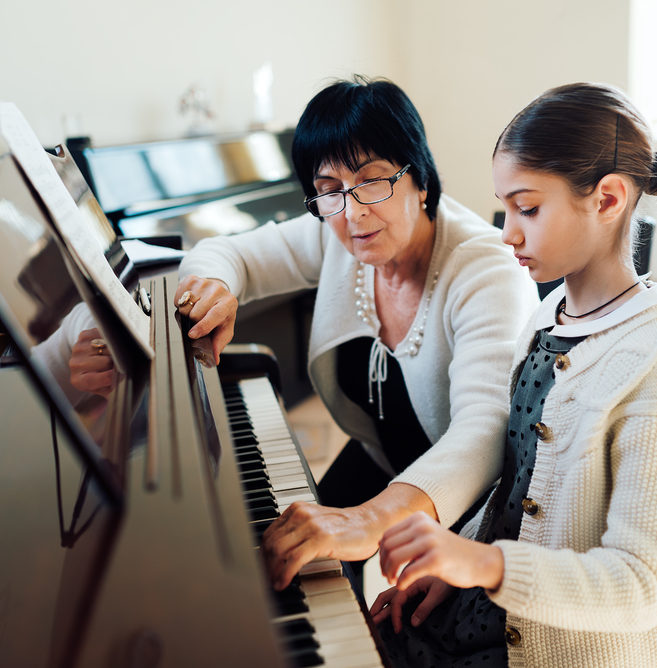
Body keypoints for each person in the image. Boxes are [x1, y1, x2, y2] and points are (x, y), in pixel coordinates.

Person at [370, 82, 657, 668]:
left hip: (588, 648)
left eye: (528, 208)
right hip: (511, 606)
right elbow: (519, 487)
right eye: (504, 208)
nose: (507, 231)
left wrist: (484, 566)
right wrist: (462, 562)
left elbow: (642, 585)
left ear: (607, 200)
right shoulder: (549, 315)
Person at [175, 76, 538, 590]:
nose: (353, 211)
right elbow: (227, 252)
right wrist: (212, 286)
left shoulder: (485, 271)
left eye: (372, 181)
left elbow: (484, 432)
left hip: (473, 500)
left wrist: (369, 520)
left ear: (420, 179)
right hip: (382, 457)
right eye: (329, 190)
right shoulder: (336, 232)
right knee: (295, 558)